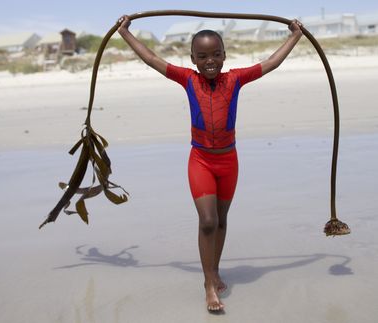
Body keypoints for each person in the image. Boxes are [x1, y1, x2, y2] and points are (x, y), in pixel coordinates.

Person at [117, 15, 303, 313]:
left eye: (216, 54)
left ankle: (214, 271)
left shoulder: (236, 79)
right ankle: (208, 285)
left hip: (229, 161)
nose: (210, 61)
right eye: (202, 56)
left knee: (222, 220)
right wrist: (125, 32)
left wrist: (295, 35)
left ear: (224, 55)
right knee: (208, 222)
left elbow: (271, 63)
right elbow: (152, 58)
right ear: (193, 58)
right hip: (201, 160)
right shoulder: (187, 78)